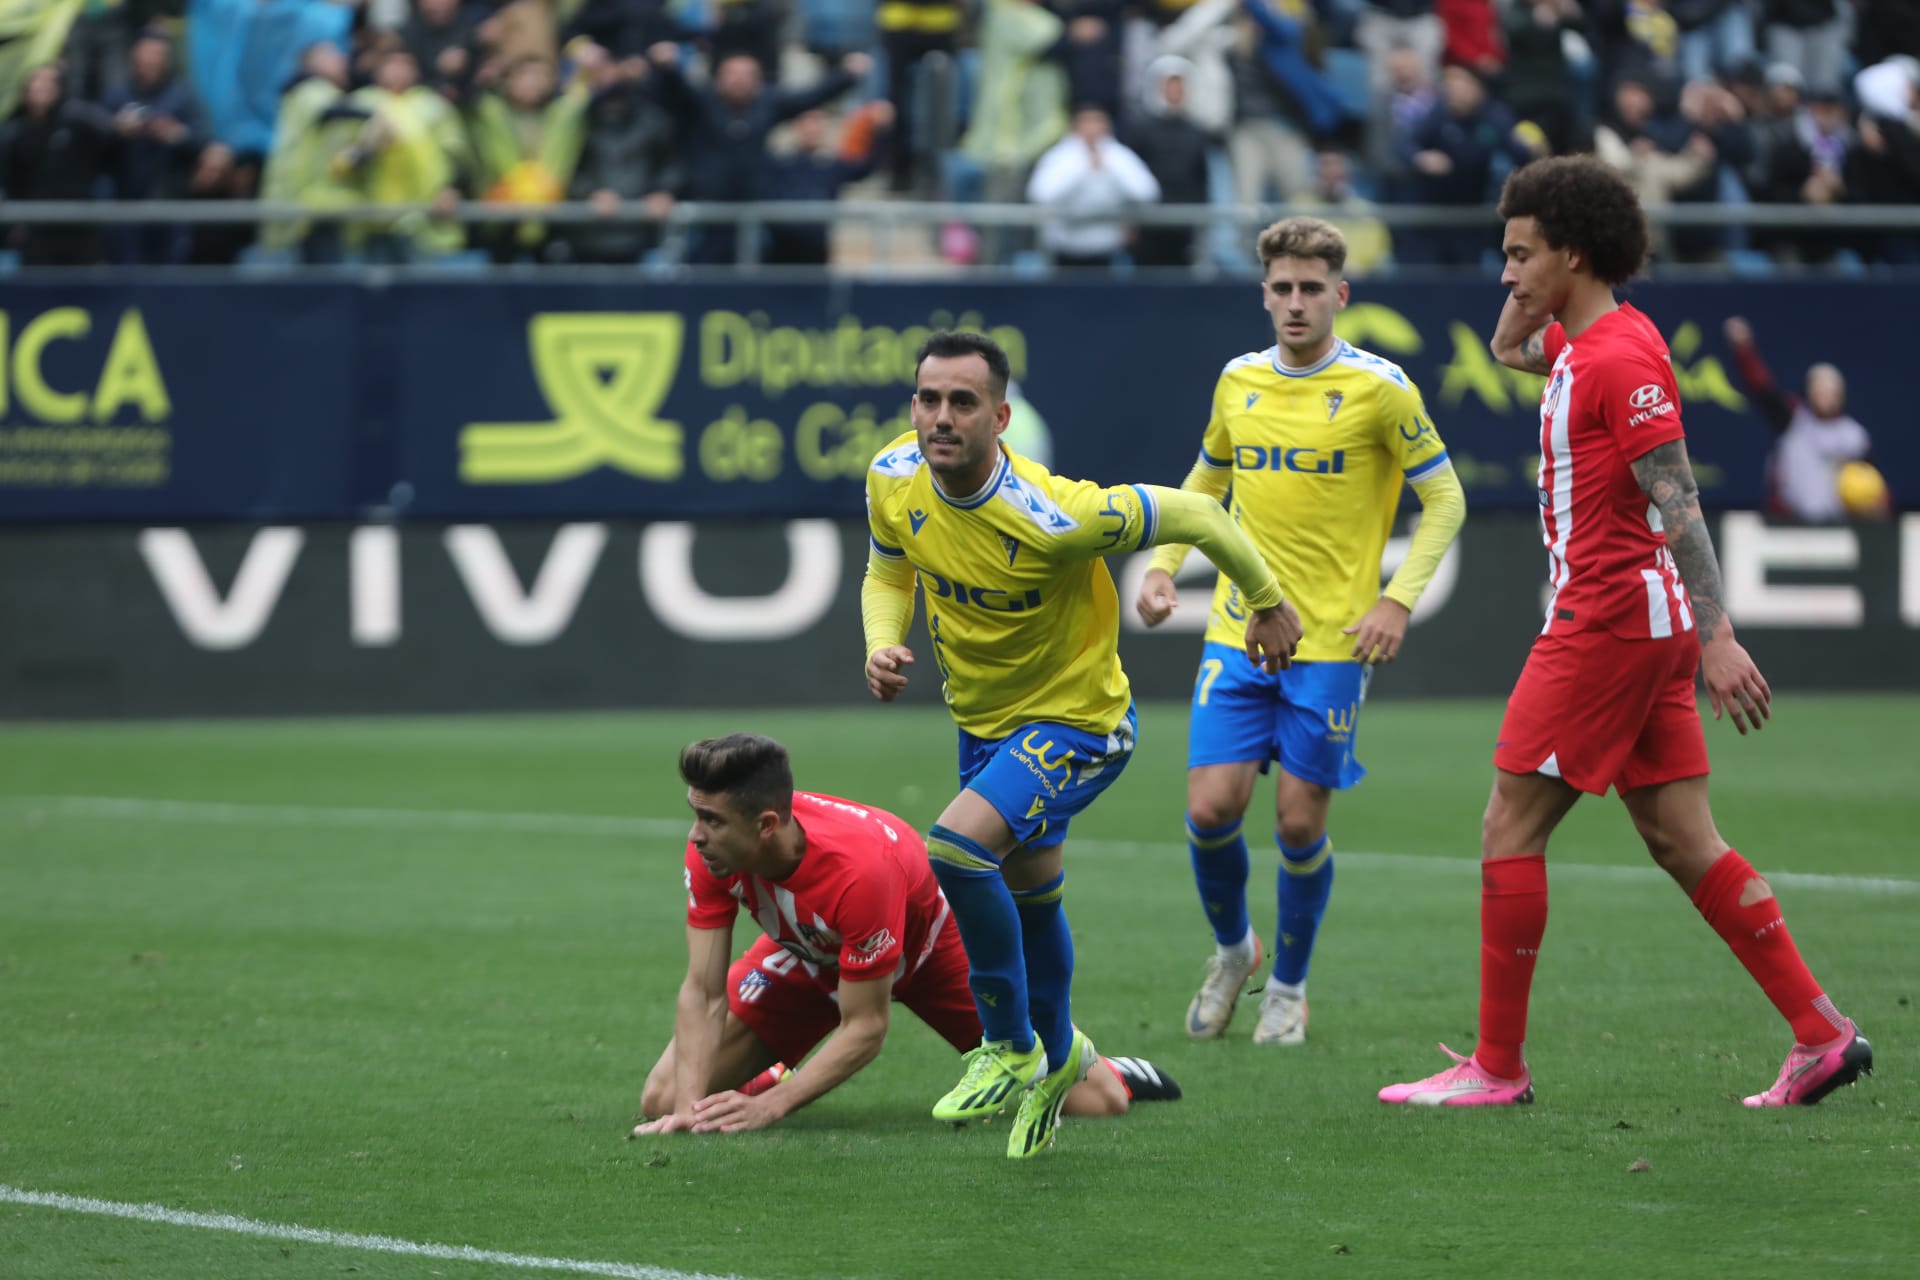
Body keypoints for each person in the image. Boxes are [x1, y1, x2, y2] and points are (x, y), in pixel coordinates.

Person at [1379, 155, 1872, 1109]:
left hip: (1608, 621)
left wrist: (1722, 635)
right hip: (1639, 624)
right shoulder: (1586, 347)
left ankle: (1497, 1069)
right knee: (1684, 839)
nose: (1508, 272)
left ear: (1573, 250)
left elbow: (1677, 498)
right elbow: (1513, 348)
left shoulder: (1618, 357)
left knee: (1507, 828)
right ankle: (1821, 1035)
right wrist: (1527, 295)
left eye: (1522, 254)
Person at [863, 330, 1301, 1157]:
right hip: (985, 723)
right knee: (1033, 898)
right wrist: (880, 642)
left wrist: (1267, 600)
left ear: (1001, 417)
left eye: (963, 402)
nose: (940, 417)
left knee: (956, 849)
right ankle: (1063, 1059)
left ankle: (1011, 1043)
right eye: (928, 399)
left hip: (1081, 723)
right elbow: (889, 571)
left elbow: (1203, 511)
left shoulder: (1056, 513)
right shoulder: (892, 477)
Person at [1135, 215, 1466, 1047]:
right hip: (1235, 632)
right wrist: (1166, 561)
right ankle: (1232, 951)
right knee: (1211, 809)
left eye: (1311, 288)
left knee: (1296, 826)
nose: (1295, 302)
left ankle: (1288, 985)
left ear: (1339, 295)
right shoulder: (1239, 380)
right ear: (1264, 294)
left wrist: (1397, 600)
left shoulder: (1381, 389)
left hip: (1332, 643)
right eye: (1281, 288)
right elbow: (1208, 480)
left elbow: (1447, 499)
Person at [634, 734, 1181, 1137]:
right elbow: (702, 990)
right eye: (695, 814)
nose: (695, 834)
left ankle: (1113, 1067)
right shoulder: (714, 851)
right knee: (663, 1096)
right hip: (810, 951)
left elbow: (867, 1026)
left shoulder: (859, 870)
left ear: (767, 826)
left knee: (1099, 1101)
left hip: (927, 954)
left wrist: (773, 1107)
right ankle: (774, 1068)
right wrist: (686, 1111)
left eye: (711, 820)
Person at [1722, 316, 1876, 523]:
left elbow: (1872, 486)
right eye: (1819, 387)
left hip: (1839, 524)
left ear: (1841, 393)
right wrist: (1744, 350)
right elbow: (1762, 388)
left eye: (1830, 388)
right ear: (1809, 391)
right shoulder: (1794, 421)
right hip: (1790, 521)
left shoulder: (1855, 436)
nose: (1824, 393)